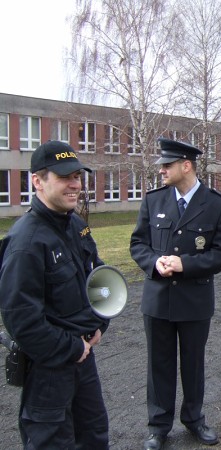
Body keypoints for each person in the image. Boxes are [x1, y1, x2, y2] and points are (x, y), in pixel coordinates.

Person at [0, 141, 110, 448]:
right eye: (64, 177)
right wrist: (72, 349)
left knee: (94, 436)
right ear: (37, 181)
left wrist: (100, 324)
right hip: (49, 371)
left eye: (77, 176)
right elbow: (21, 320)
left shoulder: (75, 225)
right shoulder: (26, 241)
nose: (75, 184)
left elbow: (96, 276)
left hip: (82, 360)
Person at [130, 138, 221, 449]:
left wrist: (184, 264)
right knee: (158, 365)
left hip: (194, 301)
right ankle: (158, 426)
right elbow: (138, 244)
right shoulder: (154, 200)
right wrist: (154, 262)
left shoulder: (218, 205)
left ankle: (193, 418)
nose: (161, 170)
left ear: (186, 165)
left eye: (167, 165)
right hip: (157, 299)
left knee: (193, 363)